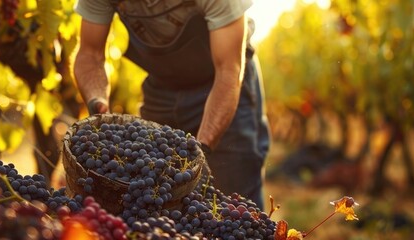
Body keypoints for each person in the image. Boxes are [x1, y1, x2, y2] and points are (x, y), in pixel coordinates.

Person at [73, 0, 270, 209]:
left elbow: (228, 71)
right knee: (154, 193)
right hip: (162, 88)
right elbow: (89, 55)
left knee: (234, 198)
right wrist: (97, 102)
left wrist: (200, 150)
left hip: (223, 85)